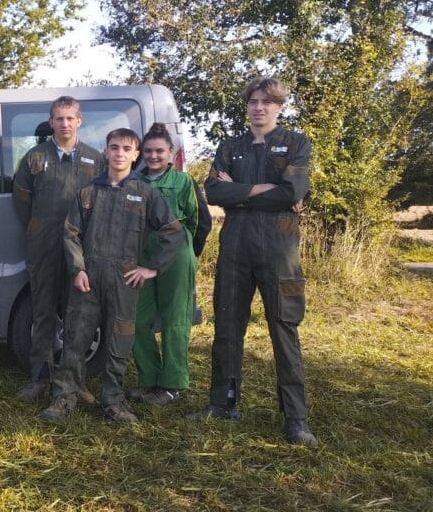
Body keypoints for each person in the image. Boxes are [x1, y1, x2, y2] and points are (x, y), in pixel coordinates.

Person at [186, 77, 318, 447]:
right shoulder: (230, 146)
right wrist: (263, 190)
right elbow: (213, 191)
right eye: (253, 102)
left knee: (284, 330)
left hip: (280, 250)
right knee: (227, 329)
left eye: (266, 102)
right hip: (236, 249)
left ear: (278, 106)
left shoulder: (296, 142)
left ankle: (296, 418)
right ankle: (223, 404)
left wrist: (240, 193)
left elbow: (293, 191)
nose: (258, 107)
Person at [42, 128, 184, 423]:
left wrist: (152, 268)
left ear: (135, 155)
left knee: (119, 341)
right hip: (88, 278)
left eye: (126, 149)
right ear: (106, 152)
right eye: (114, 147)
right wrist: (78, 268)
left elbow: (173, 231)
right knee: (76, 337)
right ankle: (64, 397)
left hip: (124, 278)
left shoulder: (145, 193)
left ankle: (113, 401)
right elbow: (70, 233)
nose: (120, 153)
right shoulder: (88, 192)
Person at [12, 96, 104, 403]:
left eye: (70, 118)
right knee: (43, 311)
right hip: (44, 246)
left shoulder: (95, 159)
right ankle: (40, 378)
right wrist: (40, 229)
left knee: (78, 316)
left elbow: (103, 203)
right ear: (51, 122)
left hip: (80, 248)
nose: (64, 123)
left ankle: (74, 381)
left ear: (80, 121)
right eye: (59, 118)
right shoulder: (35, 158)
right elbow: (22, 201)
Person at [126, 123, 207, 407]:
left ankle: (172, 384)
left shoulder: (184, 182)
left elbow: (199, 222)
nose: (154, 156)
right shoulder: (134, 182)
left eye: (159, 151)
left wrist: (188, 255)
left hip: (176, 254)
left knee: (175, 319)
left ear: (171, 152)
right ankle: (148, 379)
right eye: (148, 151)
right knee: (136, 318)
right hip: (142, 255)